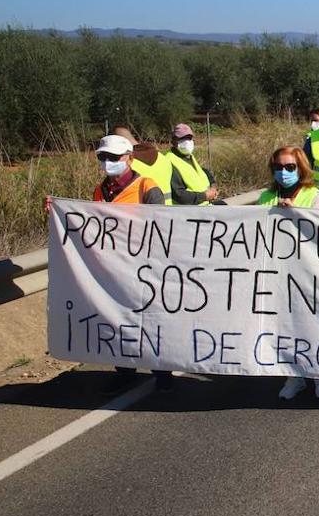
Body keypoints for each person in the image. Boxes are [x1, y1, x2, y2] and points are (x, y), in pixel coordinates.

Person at [89, 134, 173, 394]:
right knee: (118, 319)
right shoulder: (99, 190)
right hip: (113, 268)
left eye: (113, 158)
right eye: (103, 157)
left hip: (145, 267)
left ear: (129, 158)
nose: (107, 162)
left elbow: (162, 225)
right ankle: (125, 371)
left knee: (150, 320)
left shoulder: (147, 186)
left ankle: (163, 374)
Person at [257, 146, 319, 398]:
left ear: (300, 168)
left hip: (308, 272)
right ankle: (294, 376)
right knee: (287, 326)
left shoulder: (315, 195)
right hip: (278, 272)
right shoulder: (266, 197)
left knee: (314, 325)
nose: (284, 172)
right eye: (279, 167)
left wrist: (297, 214)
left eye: (290, 167)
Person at [165, 123, 221, 206]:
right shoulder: (169, 161)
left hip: (204, 207)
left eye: (189, 138)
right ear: (173, 141)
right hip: (190, 213)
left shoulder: (189, 157)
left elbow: (203, 172)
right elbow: (179, 195)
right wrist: (205, 196)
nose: (187, 141)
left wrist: (213, 187)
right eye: (182, 139)